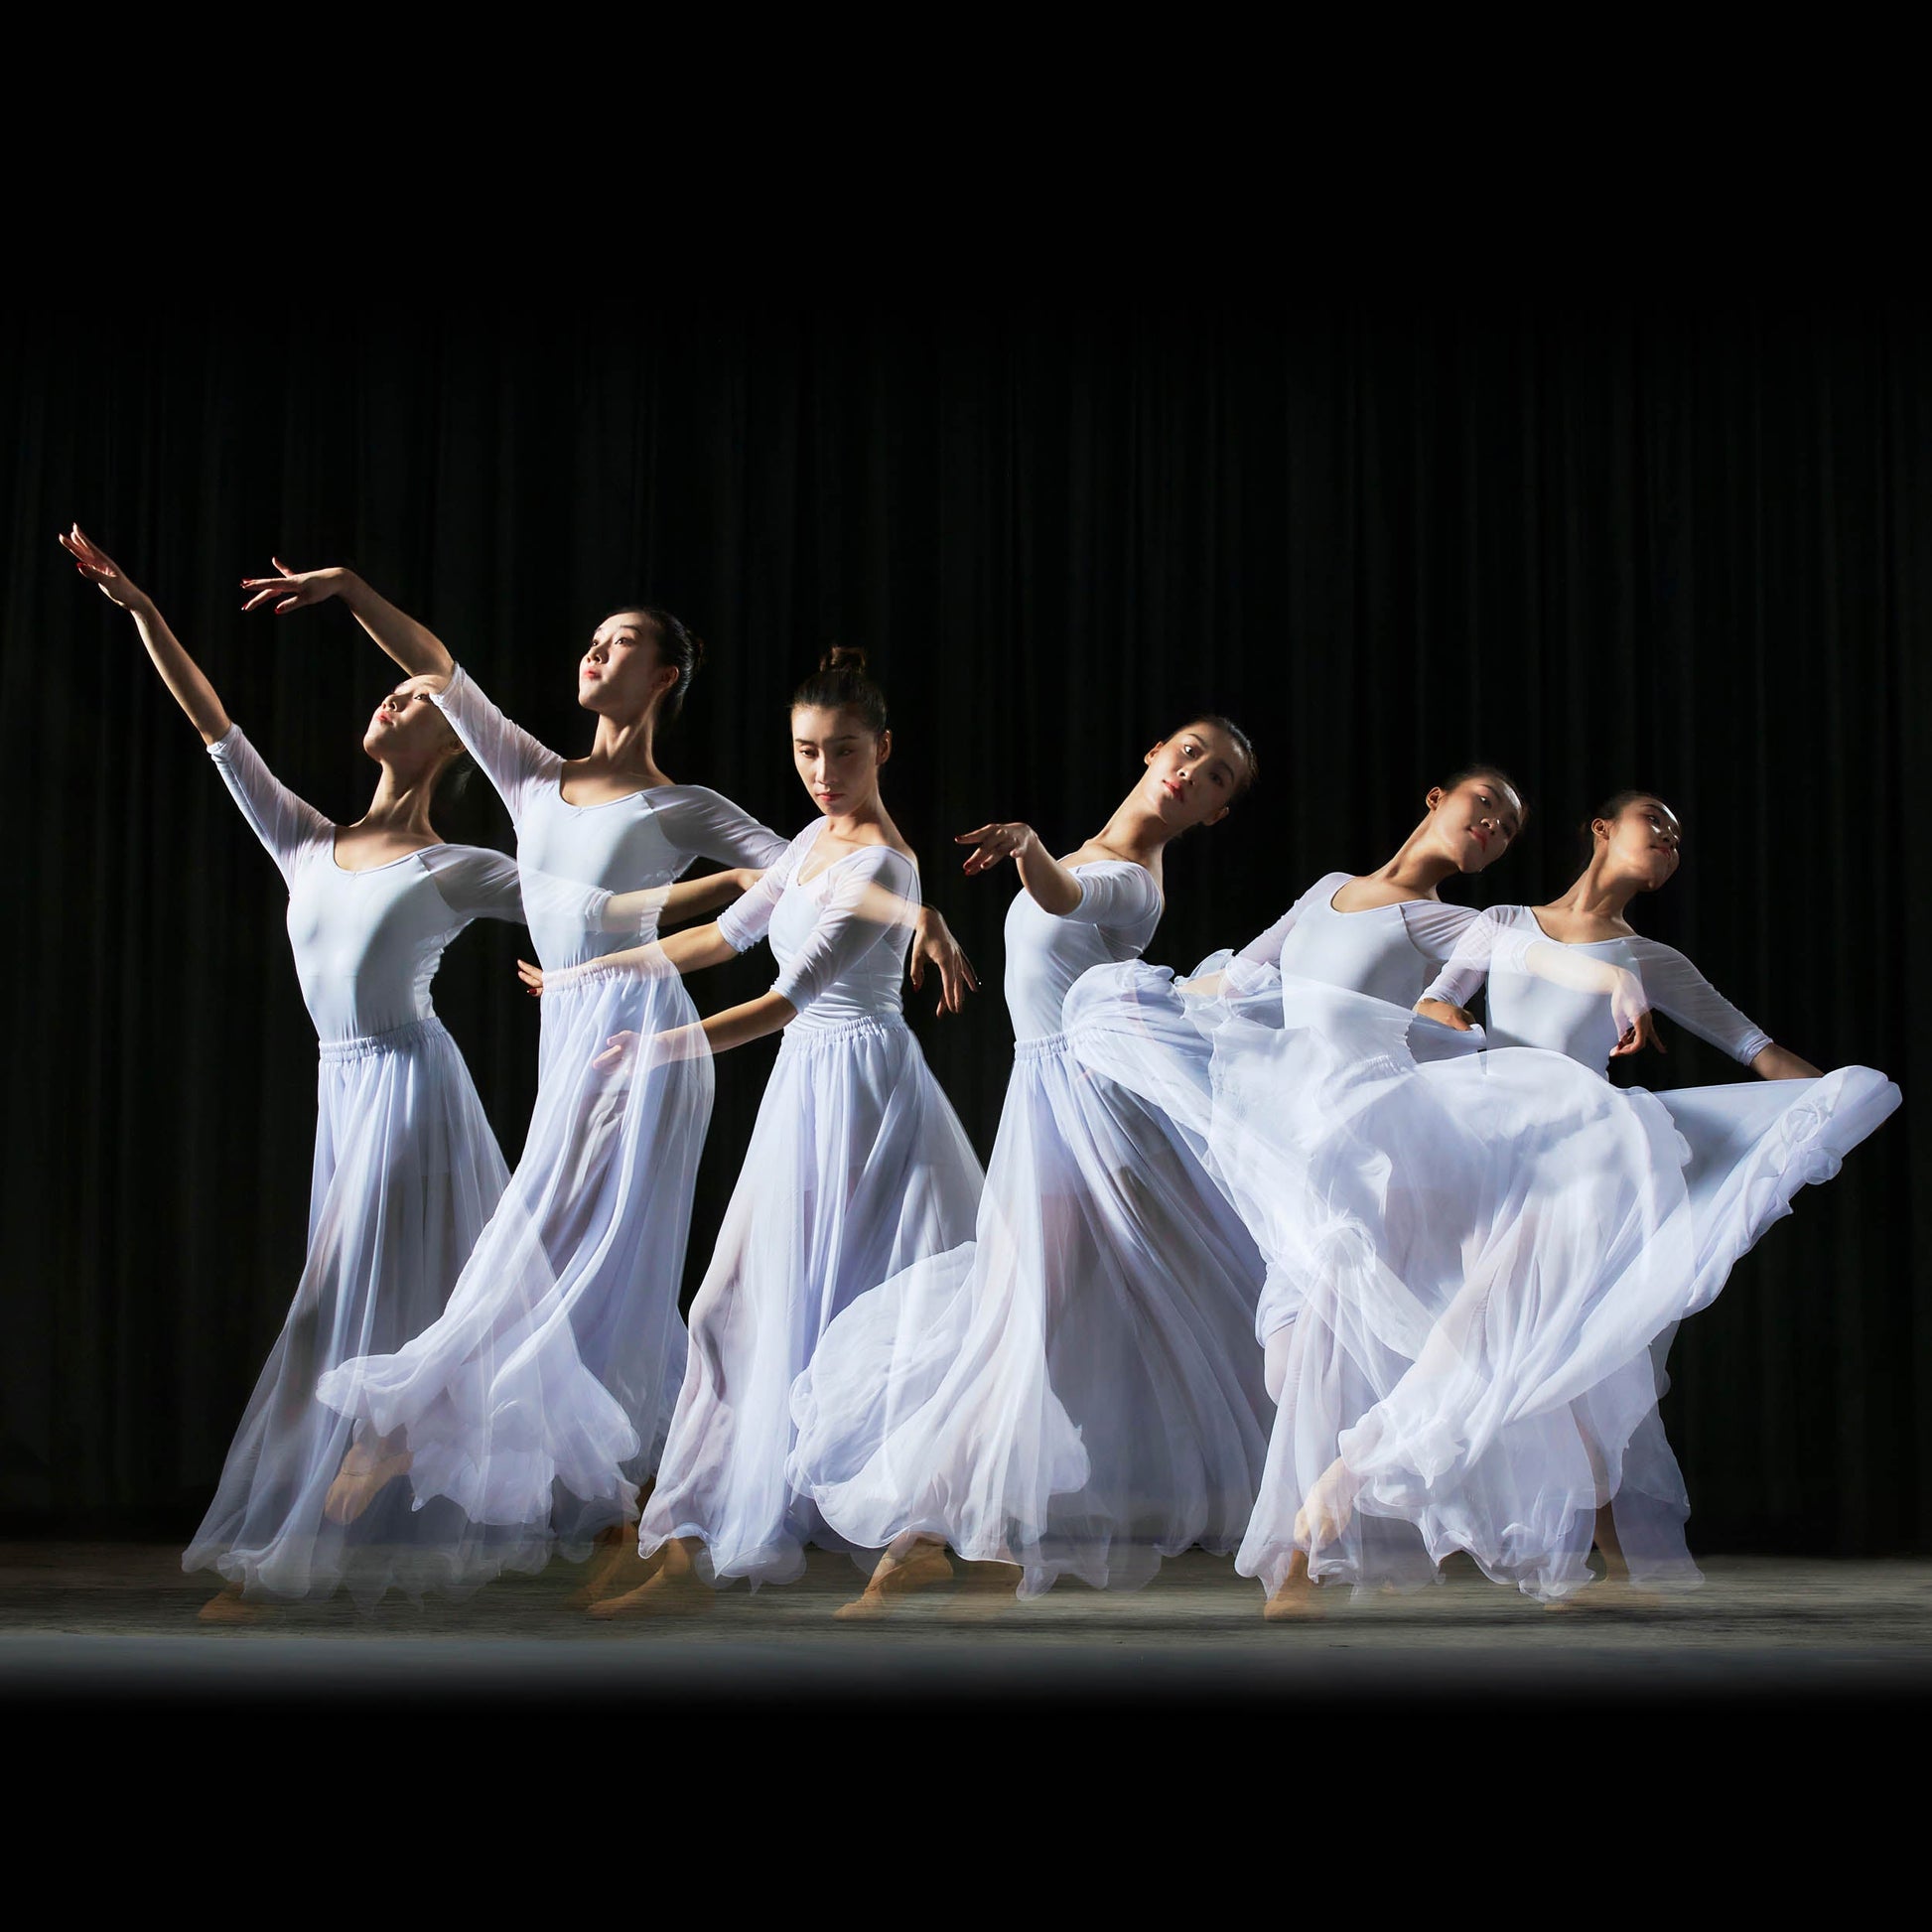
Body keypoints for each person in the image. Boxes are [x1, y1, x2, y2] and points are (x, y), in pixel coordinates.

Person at [239, 563, 970, 1588]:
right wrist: (353, 593)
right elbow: (440, 671)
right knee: (598, 1278)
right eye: (594, 636)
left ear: (665, 676)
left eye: (622, 640)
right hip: (582, 1024)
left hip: (650, 1037)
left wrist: (915, 909)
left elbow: (815, 873)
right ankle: (634, 1494)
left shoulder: (685, 805)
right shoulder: (530, 777)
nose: (595, 650)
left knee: (542, 1238)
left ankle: (411, 1419)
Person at [59, 526, 524, 1614]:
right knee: (370, 1300)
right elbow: (215, 727)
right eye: (392, 693)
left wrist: (736, 900)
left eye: (414, 700)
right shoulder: (306, 841)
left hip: (411, 1086)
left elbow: (588, 905)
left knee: (329, 1304)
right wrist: (142, 610)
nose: (392, 701)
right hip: (342, 1090)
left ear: (453, 741)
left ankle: (295, 1541)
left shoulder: (457, 867)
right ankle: (412, 1447)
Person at [523, 650, 983, 1611]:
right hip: (805, 1089)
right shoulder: (811, 838)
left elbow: (783, 998)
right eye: (807, 751)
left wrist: (659, 1050)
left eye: (843, 751)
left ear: (883, 748)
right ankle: (689, 1544)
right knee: (733, 1310)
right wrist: (589, 973)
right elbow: (724, 935)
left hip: (863, 1093)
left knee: (868, 1321)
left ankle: (913, 1533)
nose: (823, 771)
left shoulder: (883, 862)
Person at [792, 716, 1274, 1609]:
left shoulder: (1133, 884)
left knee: (1015, 1322)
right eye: (1188, 751)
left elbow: (1065, 898)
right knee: (1019, 1324)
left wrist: (1027, 848)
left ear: (1214, 814)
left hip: (1095, 1122)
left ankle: (932, 1536)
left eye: (1216, 778)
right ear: (1153, 751)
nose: (1193, 772)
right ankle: (978, 1532)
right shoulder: (1098, 855)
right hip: (1050, 1106)